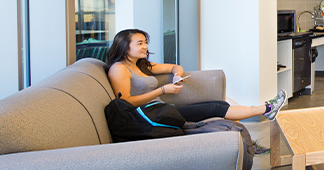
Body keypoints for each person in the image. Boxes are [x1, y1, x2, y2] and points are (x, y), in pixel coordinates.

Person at [106, 29, 286, 122]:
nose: (145, 47)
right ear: (124, 46)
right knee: (214, 109)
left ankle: (265, 110)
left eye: (145, 42)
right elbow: (126, 103)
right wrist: (161, 89)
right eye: (139, 43)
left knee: (221, 103)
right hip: (148, 116)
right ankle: (266, 109)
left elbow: (175, 67)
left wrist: (177, 76)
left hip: (160, 109)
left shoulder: (142, 65)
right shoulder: (119, 69)